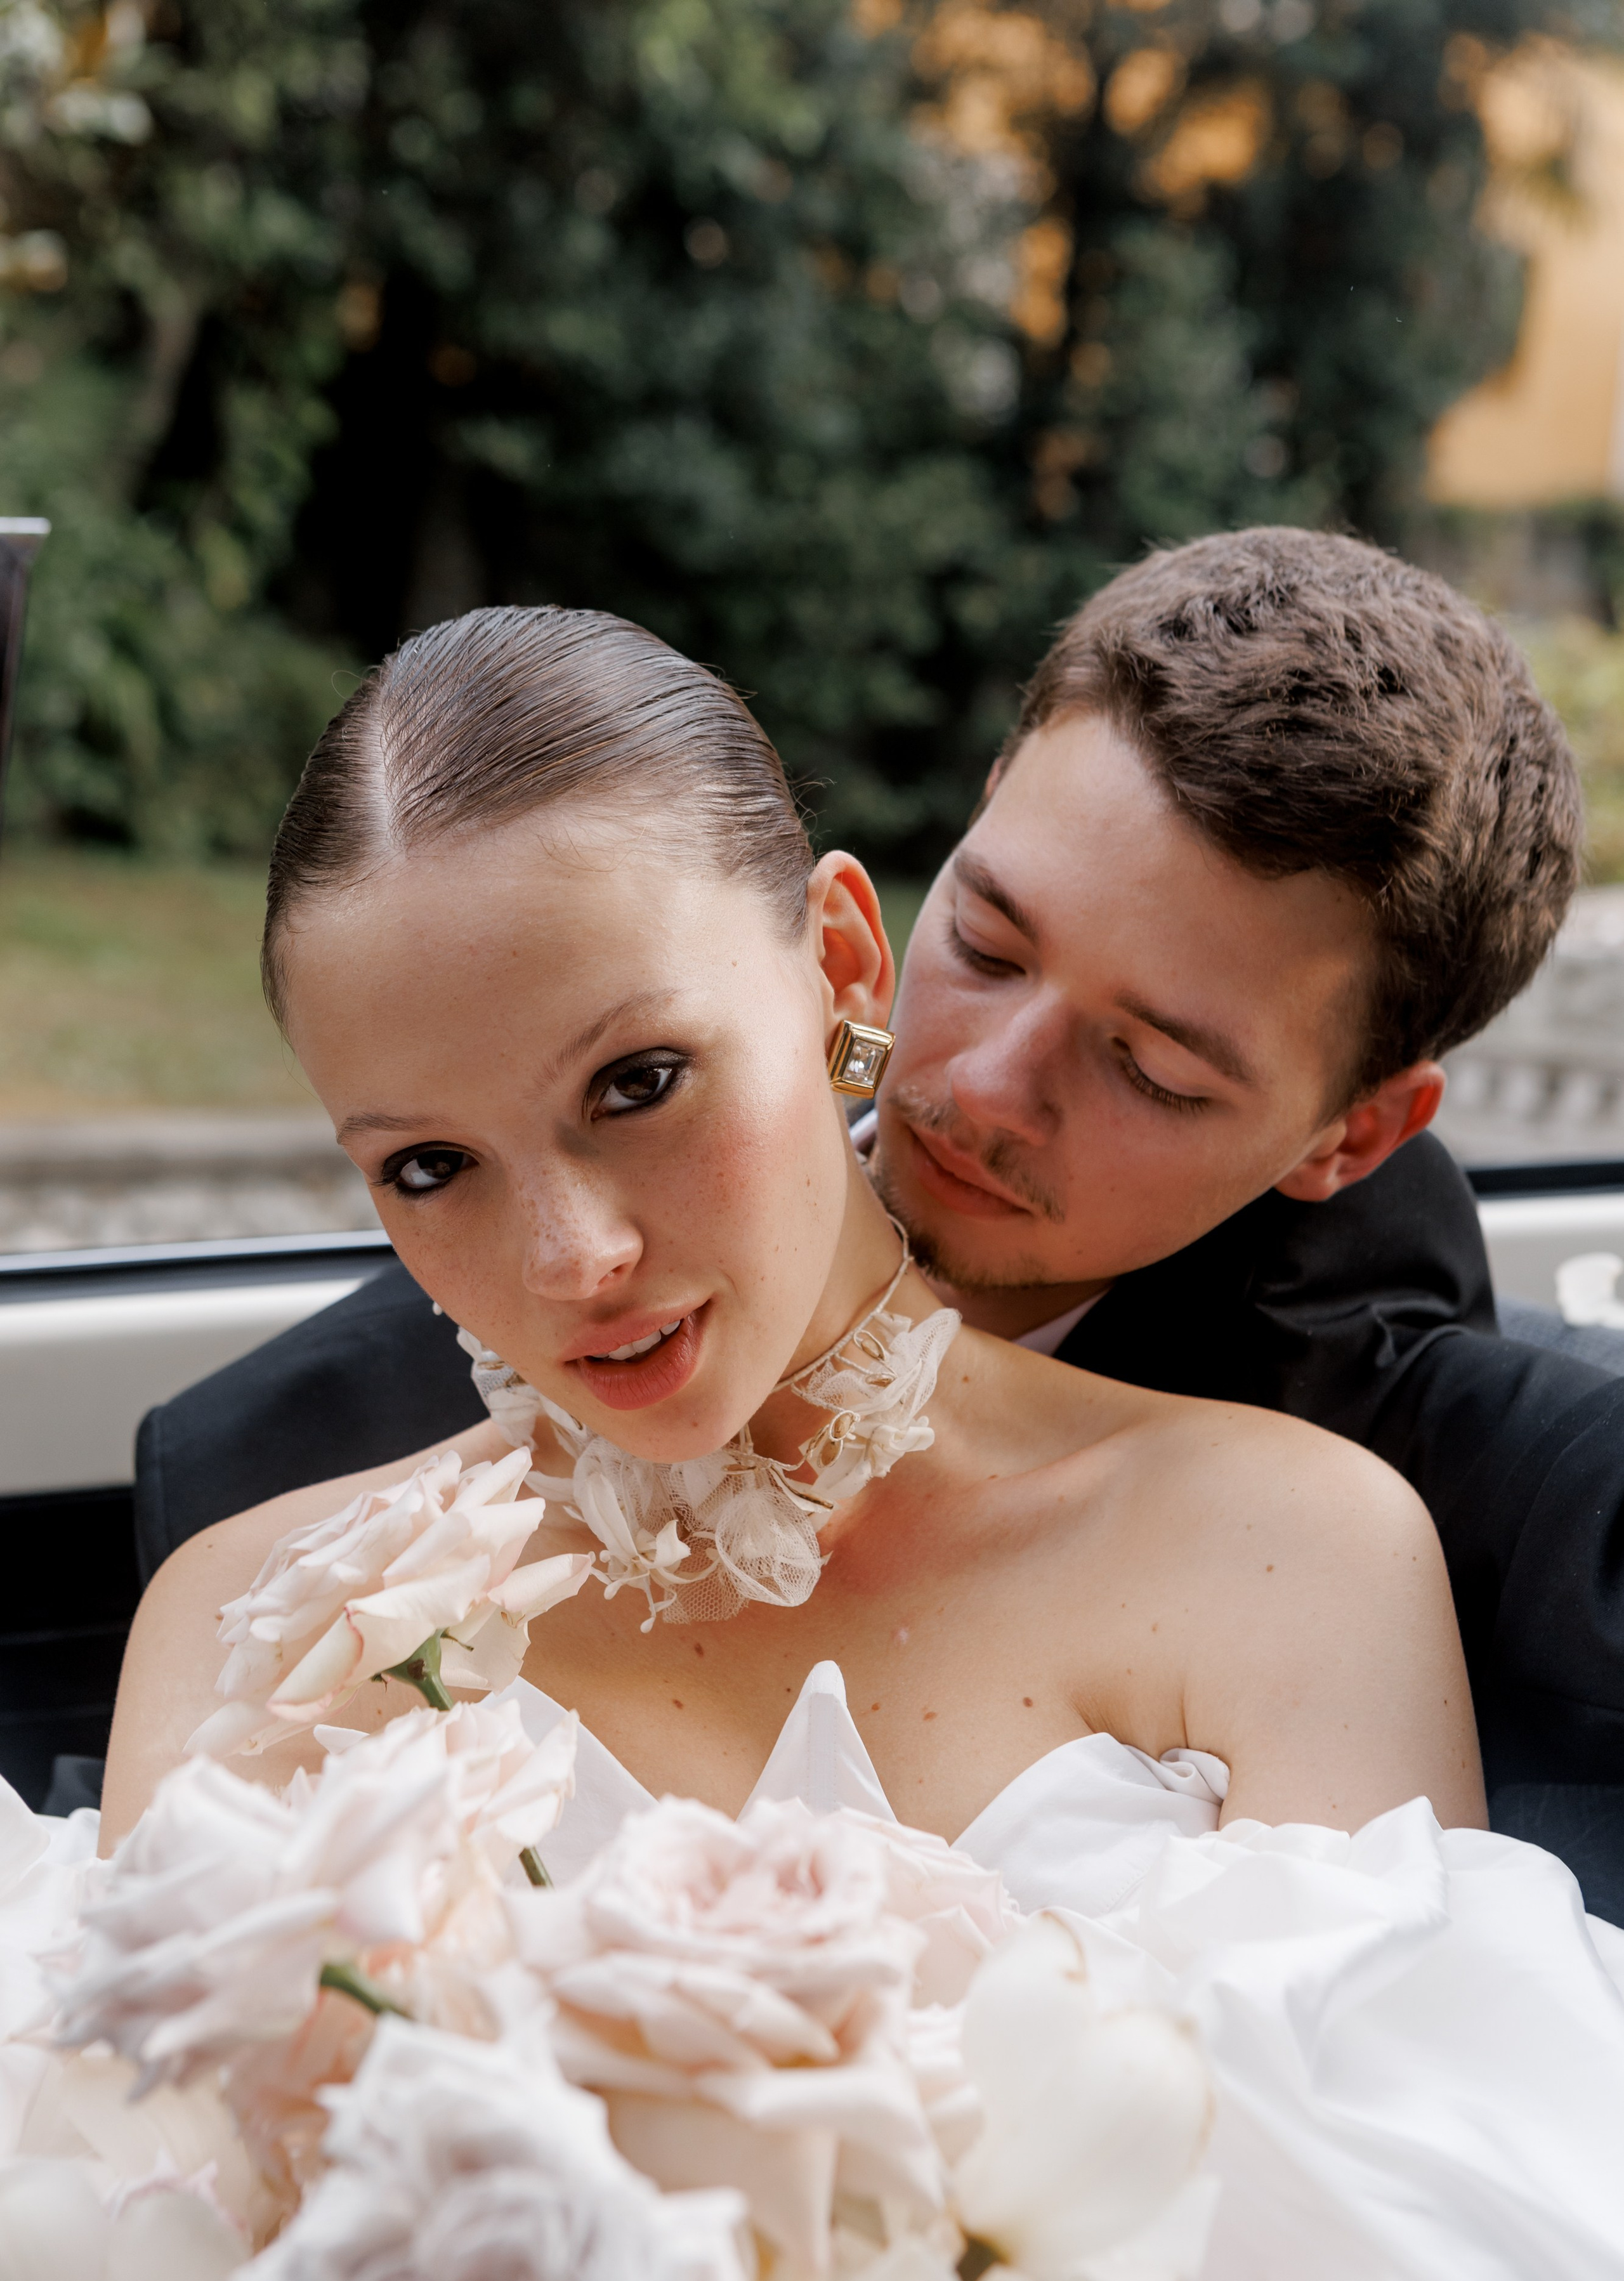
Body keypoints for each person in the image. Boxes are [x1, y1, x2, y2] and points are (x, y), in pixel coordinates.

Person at [104, 605, 1624, 2281]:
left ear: (831, 959)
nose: (571, 1262)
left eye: (639, 1084)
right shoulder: (252, 1611)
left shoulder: (1300, 1542)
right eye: (427, 1165)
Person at [128, 535, 1624, 1910]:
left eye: (1150, 1069)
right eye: (980, 941)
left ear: (1349, 1134)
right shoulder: (272, 1576)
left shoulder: (1329, 1526)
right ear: (862, 942)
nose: (971, 1080)